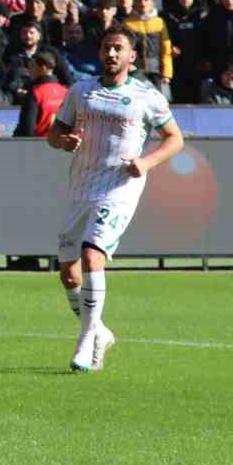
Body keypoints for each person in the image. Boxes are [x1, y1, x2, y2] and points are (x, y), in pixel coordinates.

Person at [45, 27, 184, 372]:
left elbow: (174, 138)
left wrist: (146, 162)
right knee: (68, 274)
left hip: (119, 187)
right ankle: (100, 332)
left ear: (132, 57)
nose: (111, 54)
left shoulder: (145, 95)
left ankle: (86, 340)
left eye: (118, 48)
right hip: (81, 186)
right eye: (107, 47)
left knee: (93, 257)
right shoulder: (81, 91)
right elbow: (54, 133)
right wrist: (64, 142)